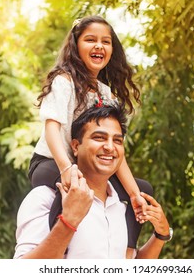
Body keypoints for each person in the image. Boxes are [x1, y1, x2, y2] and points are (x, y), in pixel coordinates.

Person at [28, 15, 150, 248]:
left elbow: (114, 151)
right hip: (51, 162)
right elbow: (52, 128)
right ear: (76, 45)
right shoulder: (64, 82)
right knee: (74, 185)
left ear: (112, 50)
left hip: (87, 166)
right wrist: (66, 167)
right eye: (90, 40)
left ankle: (126, 255)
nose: (99, 46)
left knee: (143, 190)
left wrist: (134, 193)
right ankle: (58, 252)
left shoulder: (106, 94)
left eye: (106, 42)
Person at [14, 104, 172, 259]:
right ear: (76, 146)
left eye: (117, 141)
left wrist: (161, 235)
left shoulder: (121, 204)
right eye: (99, 137)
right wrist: (68, 222)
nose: (110, 147)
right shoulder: (45, 198)